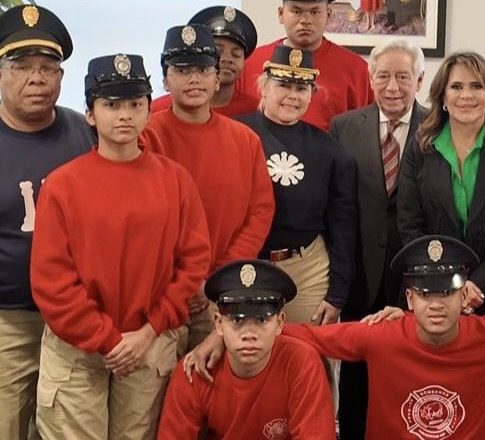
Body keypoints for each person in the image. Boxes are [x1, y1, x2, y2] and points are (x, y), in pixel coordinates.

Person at [183, 235, 485, 439]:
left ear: (465, 295)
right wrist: (223, 336)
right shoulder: (380, 336)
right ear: (409, 298)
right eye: (424, 294)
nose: (436, 304)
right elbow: (303, 335)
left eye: (446, 293)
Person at [30, 53, 211, 440]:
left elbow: (193, 263)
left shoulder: (175, 181)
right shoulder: (62, 185)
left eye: (135, 104)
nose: (125, 115)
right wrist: (108, 340)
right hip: (77, 350)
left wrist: (150, 330)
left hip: (150, 342)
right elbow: (52, 280)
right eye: (111, 106)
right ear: (90, 114)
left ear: (148, 110)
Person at [141, 24, 275, 354]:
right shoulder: (144, 136)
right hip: (159, 293)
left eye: (203, 70)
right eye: (182, 70)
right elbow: (140, 221)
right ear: (165, 80)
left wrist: (217, 278)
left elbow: (260, 213)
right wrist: (182, 282)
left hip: (220, 292)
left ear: (217, 79)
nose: (194, 80)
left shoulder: (245, 140)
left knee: (210, 382)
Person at [0, 5, 94, 439]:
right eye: (22, 67)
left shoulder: (85, 133)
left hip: (78, 315)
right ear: (2, 73)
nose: (36, 78)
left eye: (47, 67)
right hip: (9, 321)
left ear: (61, 75)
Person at [329, 38, 426, 440]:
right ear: (370, 79)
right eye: (383, 76)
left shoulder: (437, 127)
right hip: (361, 275)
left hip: (416, 276)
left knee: (411, 375)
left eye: (403, 76)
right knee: (357, 381)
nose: (392, 86)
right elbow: (336, 207)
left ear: (419, 80)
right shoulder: (344, 127)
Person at [397, 51, 485, 316]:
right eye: (456, 87)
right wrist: (449, 283)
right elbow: (410, 224)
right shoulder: (420, 148)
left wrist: (479, 284)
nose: (466, 95)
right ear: (443, 98)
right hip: (434, 293)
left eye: (476, 86)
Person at [237, 45, 357, 328]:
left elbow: (343, 226)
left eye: (301, 89)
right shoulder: (235, 134)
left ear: (311, 94)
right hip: (246, 263)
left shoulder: (329, 150)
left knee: (308, 350)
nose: (292, 96)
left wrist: (338, 294)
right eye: (283, 85)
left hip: (307, 270)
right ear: (264, 86)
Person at [158, 260, 336, 439]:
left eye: (261, 320)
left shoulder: (302, 363)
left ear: (280, 322)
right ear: (218, 323)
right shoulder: (194, 370)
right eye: (237, 320)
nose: (249, 334)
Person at [236, 0, 373, 131]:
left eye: (314, 12)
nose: (305, 20)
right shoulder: (249, 64)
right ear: (281, 14)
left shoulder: (357, 70)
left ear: (328, 15)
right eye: (296, 11)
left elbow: (367, 131)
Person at [150, 6, 260, 117]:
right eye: (218, 51)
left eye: (236, 54)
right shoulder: (155, 111)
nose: (227, 59)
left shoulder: (257, 110)